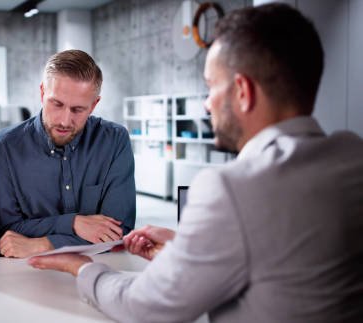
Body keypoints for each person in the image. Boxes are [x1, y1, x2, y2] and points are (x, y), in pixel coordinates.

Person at [28, 4, 363, 322]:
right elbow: (289, 253)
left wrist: (82, 267)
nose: (206, 105)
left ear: (243, 91)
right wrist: (186, 245)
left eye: (211, 86)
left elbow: (144, 307)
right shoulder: (352, 156)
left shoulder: (232, 189)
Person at [0, 50, 136, 258]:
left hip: (97, 269)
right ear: (42, 93)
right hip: (26, 275)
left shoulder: (114, 140)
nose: (65, 121)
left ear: (94, 105)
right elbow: (8, 236)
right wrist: (74, 223)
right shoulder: (5, 147)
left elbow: (119, 233)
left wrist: (44, 244)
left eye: (78, 110)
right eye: (56, 104)